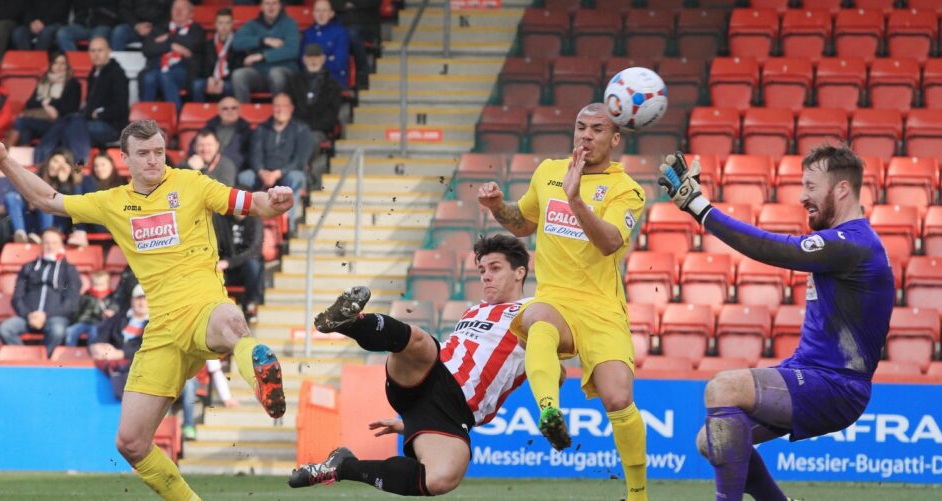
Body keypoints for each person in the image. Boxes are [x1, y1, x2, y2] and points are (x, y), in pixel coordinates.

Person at [0, 119, 295, 501]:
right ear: (124, 158)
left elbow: (253, 203)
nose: (153, 160)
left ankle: (261, 372)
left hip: (201, 304)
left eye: (159, 151)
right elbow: (47, 200)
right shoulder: (112, 202)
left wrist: (276, 201)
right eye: (143, 154)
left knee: (230, 322)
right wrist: (5, 162)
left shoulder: (192, 184)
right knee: (131, 442)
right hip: (161, 330)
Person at [657, 145, 895, 501]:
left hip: (835, 385)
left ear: (842, 189)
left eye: (812, 186)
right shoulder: (847, 243)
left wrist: (699, 207)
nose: (802, 197)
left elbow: (775, 248)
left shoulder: (854, 244)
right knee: (713, 441)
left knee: (722, 389)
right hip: (813, 374)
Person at [477, 103, 648, 500]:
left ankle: (638, 495)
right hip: (556, 297)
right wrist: (497, 207)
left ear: (615, 139)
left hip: (602, 308)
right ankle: (550, 410)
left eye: (597, 130)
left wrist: (575, 200)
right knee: (537, 317)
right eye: (580, 127)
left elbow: (608, 243)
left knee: (619, 399)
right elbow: (523, 223)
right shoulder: (549, 171)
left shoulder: (628, 189)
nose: (586, 136)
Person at [290, 235, 535, 495]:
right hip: (432, 373)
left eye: (495, 268)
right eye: (482, 269)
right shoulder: (474, 311)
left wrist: (413, 423)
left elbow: (549, 357)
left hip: (452, 411)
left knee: (440, 479)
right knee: (419, 340)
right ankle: (351, 323)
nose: (485, 276)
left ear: (519, 272)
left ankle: (343, 467)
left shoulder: (533, 311)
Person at [35, 37, 129, 164]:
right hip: (91, 122)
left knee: (71, 128)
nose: (96, 55)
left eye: (100, 50)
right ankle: (42, 163)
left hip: (112, 127)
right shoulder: (93, 73)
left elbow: (121, 107)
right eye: (92, 51)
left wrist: (100, 114)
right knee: (64, 124)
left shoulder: (117, 74)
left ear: (109, 51)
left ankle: (78, 168)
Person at [0, 228, 82, 357]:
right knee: (5, 329)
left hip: (55, 317)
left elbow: (72, 302)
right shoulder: (28, 267)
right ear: (41, 244)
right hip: (28, 317)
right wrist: (29, 315)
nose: (50, 246)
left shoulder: (69, 270)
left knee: (57, 331)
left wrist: (45, 315)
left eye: (54, 243)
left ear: (61, 245)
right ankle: (26, 359)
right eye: (46, 242)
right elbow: (17, 297)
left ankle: (43, 361)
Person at [242, 92, 312, 233]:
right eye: (277, 106)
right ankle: (249, 224)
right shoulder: (261, 129)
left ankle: (288, 227)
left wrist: (278, 173)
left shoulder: (301, 129)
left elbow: (300, 160)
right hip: (264, 173)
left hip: (287, 173)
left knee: (296, 177)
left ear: (291, 108)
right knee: (244, 177)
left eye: (284, 106)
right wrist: (261, 171)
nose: (280, 110)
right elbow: (254, 155)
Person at [287, 43, 342, 188]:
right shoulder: (293, 82)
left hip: (318, 131)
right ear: (304, 59)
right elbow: (288, 108)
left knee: (310, 139)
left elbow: (331, 117)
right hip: (295, 128)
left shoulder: (332, 85)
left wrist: (307, 128)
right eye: (310, 56)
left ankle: (299, 176)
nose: (313, 60)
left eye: (316, 56)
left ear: (323, 58)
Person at [138, 0, 205, 113]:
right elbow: (147, 48)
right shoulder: (159, 28)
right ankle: (145, 120)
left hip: (183, 71)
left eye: (182, 8)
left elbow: (193, 43)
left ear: (191, 13)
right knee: (149, 77)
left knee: (166, 76)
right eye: (175, 8)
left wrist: (169, 38)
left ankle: (175, 117)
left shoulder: (196, 29)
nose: (178, 11)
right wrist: (171, 46)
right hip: (157, 69)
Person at [6, 53, 83, 148]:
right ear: (51, 65)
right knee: (25, 131)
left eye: (62, 63)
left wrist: (49, 103)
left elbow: (70, 109)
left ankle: (6, 150)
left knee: (21, 122)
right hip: (39, 120)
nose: (59, 66)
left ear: (67, 66)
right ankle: (25, 159)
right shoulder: (43, 81)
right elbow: (30, 104)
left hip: (59, 123)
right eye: (56, 63)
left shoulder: (74, 84)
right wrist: (46, 105)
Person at [231, 0, 300, 104]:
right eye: (267, 3)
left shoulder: (290, 23)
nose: (271, 7)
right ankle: (243, 115)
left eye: (274, 3)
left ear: (280, 6)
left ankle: (280, 112)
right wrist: (263, 41)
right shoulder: (252, 24)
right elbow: (236, 43)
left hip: (285, 72)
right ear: (261, 6)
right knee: (238, 75)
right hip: (260, 73)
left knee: (276, 74)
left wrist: (263, 56)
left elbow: (292, 50)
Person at [90, 283, 149, 399]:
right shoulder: (118, 318)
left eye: (146, 299)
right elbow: (100, 338)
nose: (142, 303)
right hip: (112, 367)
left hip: (141, 372)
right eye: (138, 299)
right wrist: (96, 347)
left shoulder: (156, 324)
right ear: (132, 300)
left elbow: (148, 348)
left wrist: (120, 354)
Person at [213, 211, 264, 323]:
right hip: (225, 268)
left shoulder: (255, 219)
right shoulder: (221, 218)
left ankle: (251, 306)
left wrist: (229, 262)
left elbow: (254, 251)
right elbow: (215, 244)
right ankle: (215, 310)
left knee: (253, 265)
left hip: (244, 267)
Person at [179, 358, 238, 440]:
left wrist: (226, 397)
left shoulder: (206, 348)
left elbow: (216, 372)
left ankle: (188, 426)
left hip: (193, 383)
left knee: (188, 383)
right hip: (174, 382)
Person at [192, 7, 241, 103]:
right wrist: (209, 78)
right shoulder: (207, 45)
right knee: (197, 85)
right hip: (211, 78)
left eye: (227, 23)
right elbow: (202, 66)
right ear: (215, 24)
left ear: (232, 24)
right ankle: (201, 113)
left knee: (229, 86)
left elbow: (238, 68)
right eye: (221, 23)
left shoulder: (238, 45)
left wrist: (223, 80)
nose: (224, 26)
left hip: (228, 79)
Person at [189, 96, 252, 170]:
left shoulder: (247, 131)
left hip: (238, 169)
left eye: (234, 108)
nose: (230, 111)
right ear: (218, 111)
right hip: (209, 167)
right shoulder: (209, 127)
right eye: (225, 108)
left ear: (239, 110)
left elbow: (251, 155)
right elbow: (194, 146)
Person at [301, 0, 350, 88]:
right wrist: (328, 58)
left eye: (324, 10)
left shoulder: (340, 32)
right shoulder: (308, 33)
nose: (321, 14)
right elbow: (303, 59)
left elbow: (339, 63)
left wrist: (314, 64)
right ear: (313, 13)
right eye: (318, 10)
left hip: (333, 78)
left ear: (331, 13)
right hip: (310, 78)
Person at [330, 0, 378, 88]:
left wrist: (354, 3)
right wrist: (345, 4)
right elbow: (329, 3)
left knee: (351, 34)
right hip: (340, 20)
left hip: (365, 22)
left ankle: (363, 72)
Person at [65, 269, 117, 347]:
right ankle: (70, 351)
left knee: (94, 332)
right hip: (83, 322)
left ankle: (93, 352)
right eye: (95, 284)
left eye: (101, 285)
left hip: (99, 324)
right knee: (70, 331)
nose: (97, 288)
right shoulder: (86, 296)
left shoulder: (111, 298)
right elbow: (77, 310)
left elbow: (114, 310)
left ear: (107, 284)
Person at [55, 0, 120, 52]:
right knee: (63, 33)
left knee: (96, 41)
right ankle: (76, 63)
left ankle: (95, 67)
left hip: (103, 24)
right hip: (82, 24)